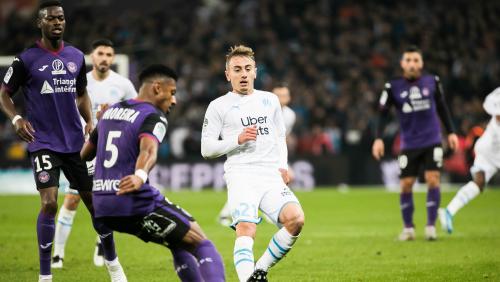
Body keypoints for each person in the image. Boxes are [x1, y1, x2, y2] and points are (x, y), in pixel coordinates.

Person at [0, 1, 125, 281]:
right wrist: (16, 119)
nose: (57, 22)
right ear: (40, 23)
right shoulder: (26, 59)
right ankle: (45, 276)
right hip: (43, 141)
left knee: (96, 205)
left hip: (75, 145)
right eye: (51, 18)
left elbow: (81, 93)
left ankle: (114, 266)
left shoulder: (76, 56)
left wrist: (90, 119)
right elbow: (4, 93)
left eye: (61, 18)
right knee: (49, 203)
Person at [81, 64, 225, 282]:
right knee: (202, 243)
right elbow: (149, 150)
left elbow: (85, 155)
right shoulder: (153, 115)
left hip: (102, 206)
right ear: (158, 88)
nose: (174, 100)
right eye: (172, 93)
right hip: (134, 200)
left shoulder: (110, 112)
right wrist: (140, 175)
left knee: (178, 241)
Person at [201, 45, 305, 282]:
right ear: (228, 75)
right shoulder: (218, 106)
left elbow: (280, 136)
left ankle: (259, 270)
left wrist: (283, 165)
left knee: (295, 219)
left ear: (255, 72)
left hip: (270, 174)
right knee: (247, 228)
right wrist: (236, 139)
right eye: (237, 70)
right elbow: (206, 149)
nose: (243, 74)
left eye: (248, 69)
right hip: (241, 174)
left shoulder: (270, 100)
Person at [52, 38, 137, 269]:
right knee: (72, 199)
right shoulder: (80, 82)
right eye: (101, 53)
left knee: (107, 203)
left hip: (110, 152)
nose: (105, 58)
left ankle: (102, 244)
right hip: (81, 149)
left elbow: (136, 115)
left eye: (109, 55)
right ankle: (57, 254)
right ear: (92, 56)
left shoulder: (124, 85)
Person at [371, 45, 458, 241]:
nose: (412, 64)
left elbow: (443, 108)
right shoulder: (392, 86)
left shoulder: (432, 81)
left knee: (433, 179)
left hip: (432, 140)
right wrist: (378, 138)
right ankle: (408, 229)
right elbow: (382, 114)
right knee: (406, 184)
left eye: (416, 60)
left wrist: (451, 132)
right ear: (402, 64)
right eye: (408, 60)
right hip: (409, 143)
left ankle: (430, 227)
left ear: (421, 63)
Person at [217, 82, 296, 226]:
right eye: (278, 95)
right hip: (256, 153)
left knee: (255, 185)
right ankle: (268, 211)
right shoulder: (262, 108)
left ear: (289, 98)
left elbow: (281, 137)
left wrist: (282, 161)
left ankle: (271, 210)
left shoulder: (290, 115)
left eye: (284, 95)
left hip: (274, 154)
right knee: (246, 185)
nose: (281, 98)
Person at [439, 88, 500, 234]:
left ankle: (448, 210)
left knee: (478, 184)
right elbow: (488, 102)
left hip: (491, 147)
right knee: (479, 183)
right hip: (488, 148)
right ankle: (448, 211)